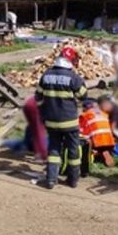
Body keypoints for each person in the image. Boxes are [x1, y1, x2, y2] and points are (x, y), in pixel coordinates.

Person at [35, 46, 88, 189]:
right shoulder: (73, 78)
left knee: (53, 149)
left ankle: (51, 179)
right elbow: (83, 96)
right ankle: (73, 180)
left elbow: (38, 96)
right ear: (71, 61)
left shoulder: (46, 75)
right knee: (73, 150)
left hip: (51, 121)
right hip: (69, 122)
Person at [79, 99, 116, 167]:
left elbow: (82, 133)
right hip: (110, 140)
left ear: (85, 108)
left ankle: (97, 152)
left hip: (98, 142)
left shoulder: (84, 115)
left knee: (82, 138)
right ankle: (105, 152)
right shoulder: (104, 113)